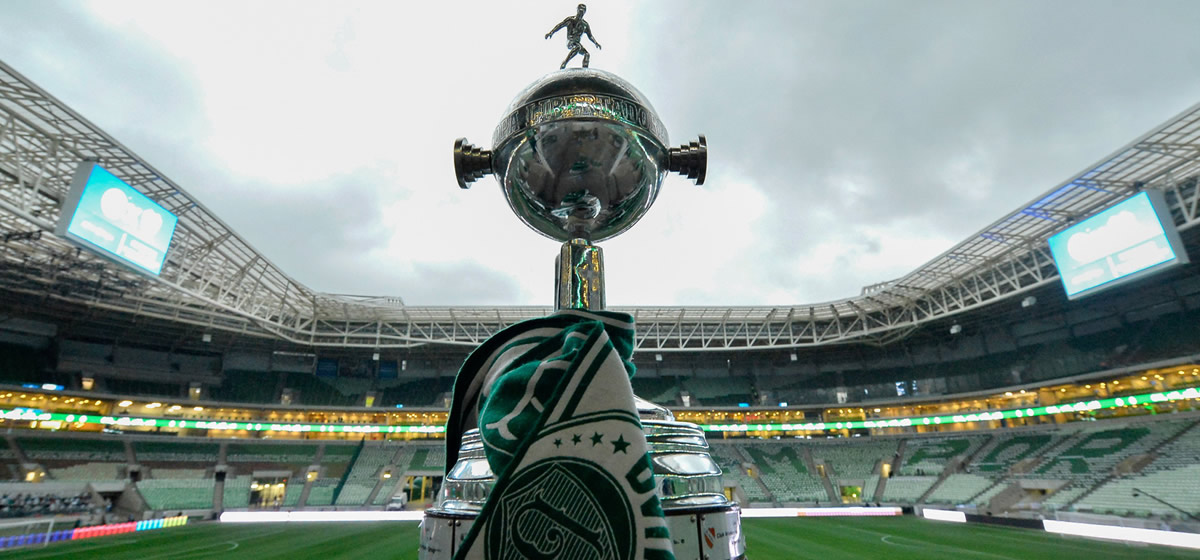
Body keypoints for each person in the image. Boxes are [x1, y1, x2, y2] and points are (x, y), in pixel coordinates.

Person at [545, 4, 602, 69]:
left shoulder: (585, 25)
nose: (581, 14)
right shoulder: (570, 20)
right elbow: (560, 25)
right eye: (580, 11)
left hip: (577, 43)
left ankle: (585, 70)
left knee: (587, 54)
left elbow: (590, 36)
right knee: (577, 47)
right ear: (577, 10)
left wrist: (596, 43)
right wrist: (551, 32)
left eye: (583, 12)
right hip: (571, 41)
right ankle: (564, 63)